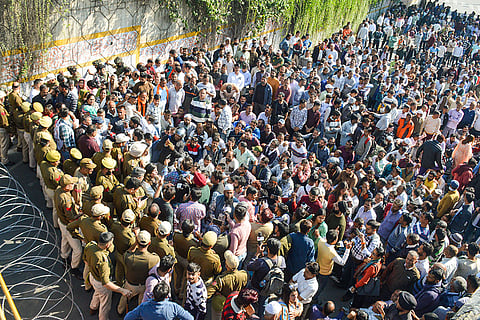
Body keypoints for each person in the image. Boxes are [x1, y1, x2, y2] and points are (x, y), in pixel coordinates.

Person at [84, 232, 132, 320]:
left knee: (97, 292)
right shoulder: (103, 262)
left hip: (92, 277)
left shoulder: (90, 246)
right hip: (101, 283)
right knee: (105, 306)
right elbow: (106, 283)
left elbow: (86, 261)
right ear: (107, 245)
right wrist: (122, 290)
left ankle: (93, 307)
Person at [124, 281, 194, 320]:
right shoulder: (173, 308)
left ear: (153, 295)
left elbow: (127, 318)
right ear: (167, 296)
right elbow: (190, 318)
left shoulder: (143, 307)